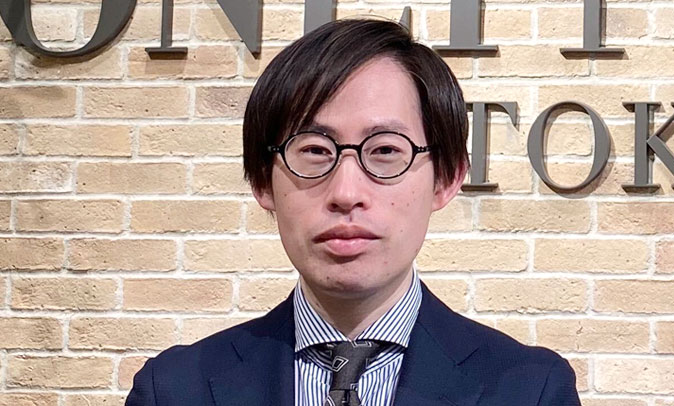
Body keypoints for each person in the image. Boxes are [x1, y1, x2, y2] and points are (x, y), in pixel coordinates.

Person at [126, 18, 581, 406]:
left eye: (385, 151)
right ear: (263, 181)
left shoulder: (530, 389)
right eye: (314, 150)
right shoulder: (173, 389)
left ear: (445, 178)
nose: (346, 192)